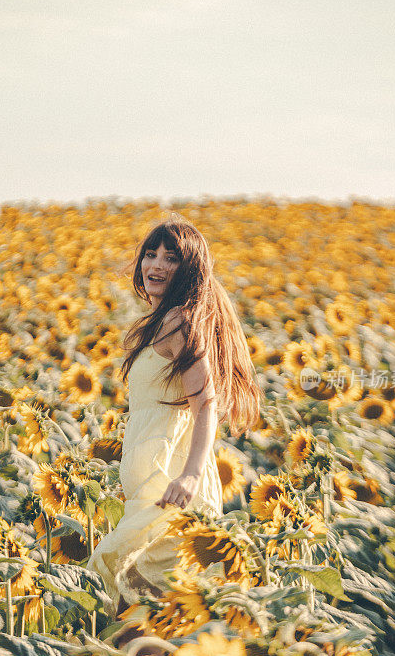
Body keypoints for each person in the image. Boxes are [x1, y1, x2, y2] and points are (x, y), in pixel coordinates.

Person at [87, 215, 263, 625]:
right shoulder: (159, 323)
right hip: (151, 489)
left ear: (190, 271)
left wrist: (190, 476)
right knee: (138, 611)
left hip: (172, 491)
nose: (156, 266)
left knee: (136, 608)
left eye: (171, 258)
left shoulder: (179, 322)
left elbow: (207, 406)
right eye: (151, 255)